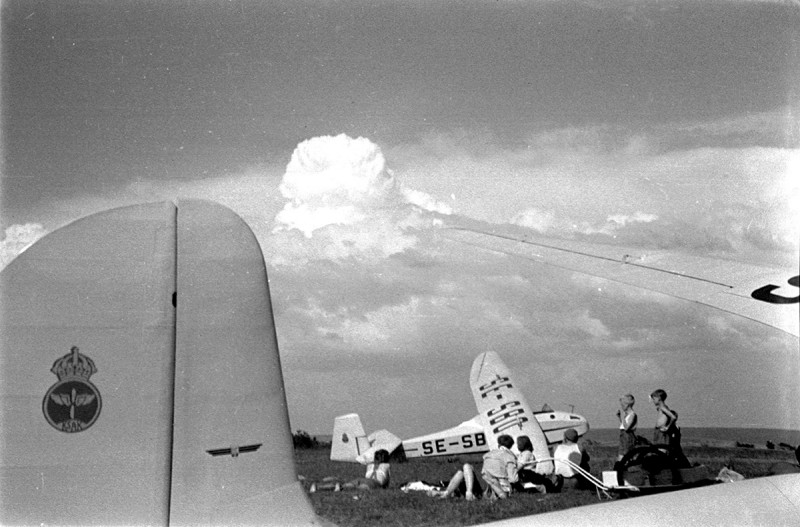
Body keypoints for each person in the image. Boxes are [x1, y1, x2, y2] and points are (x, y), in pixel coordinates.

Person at [309, 449, 391, 492]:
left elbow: (367, 476)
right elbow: (386, 482)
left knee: (344, 486)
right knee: (357, 488)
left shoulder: (370, 465)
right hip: (374, 483)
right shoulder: (387, 465)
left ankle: (318, 487)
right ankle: (338, 488)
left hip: (363, 479)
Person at [480, 434, 519, 499]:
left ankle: (493, 491)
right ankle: (500, 493)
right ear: (511, 445)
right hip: (501, 481)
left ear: (499, 444)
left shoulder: (489, 454)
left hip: (486, 479)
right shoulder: (510, 457)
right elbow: (513, 479)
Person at [616, 394, 638, 461]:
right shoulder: (627, 415)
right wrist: (620, 417)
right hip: (623, 435)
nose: (622, 407)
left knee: (627, 454)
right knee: (621, 454)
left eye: (622, 405)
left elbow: (627, 428)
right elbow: (623, 425)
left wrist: (623, 417)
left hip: (628, 436)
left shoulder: (632, 415)